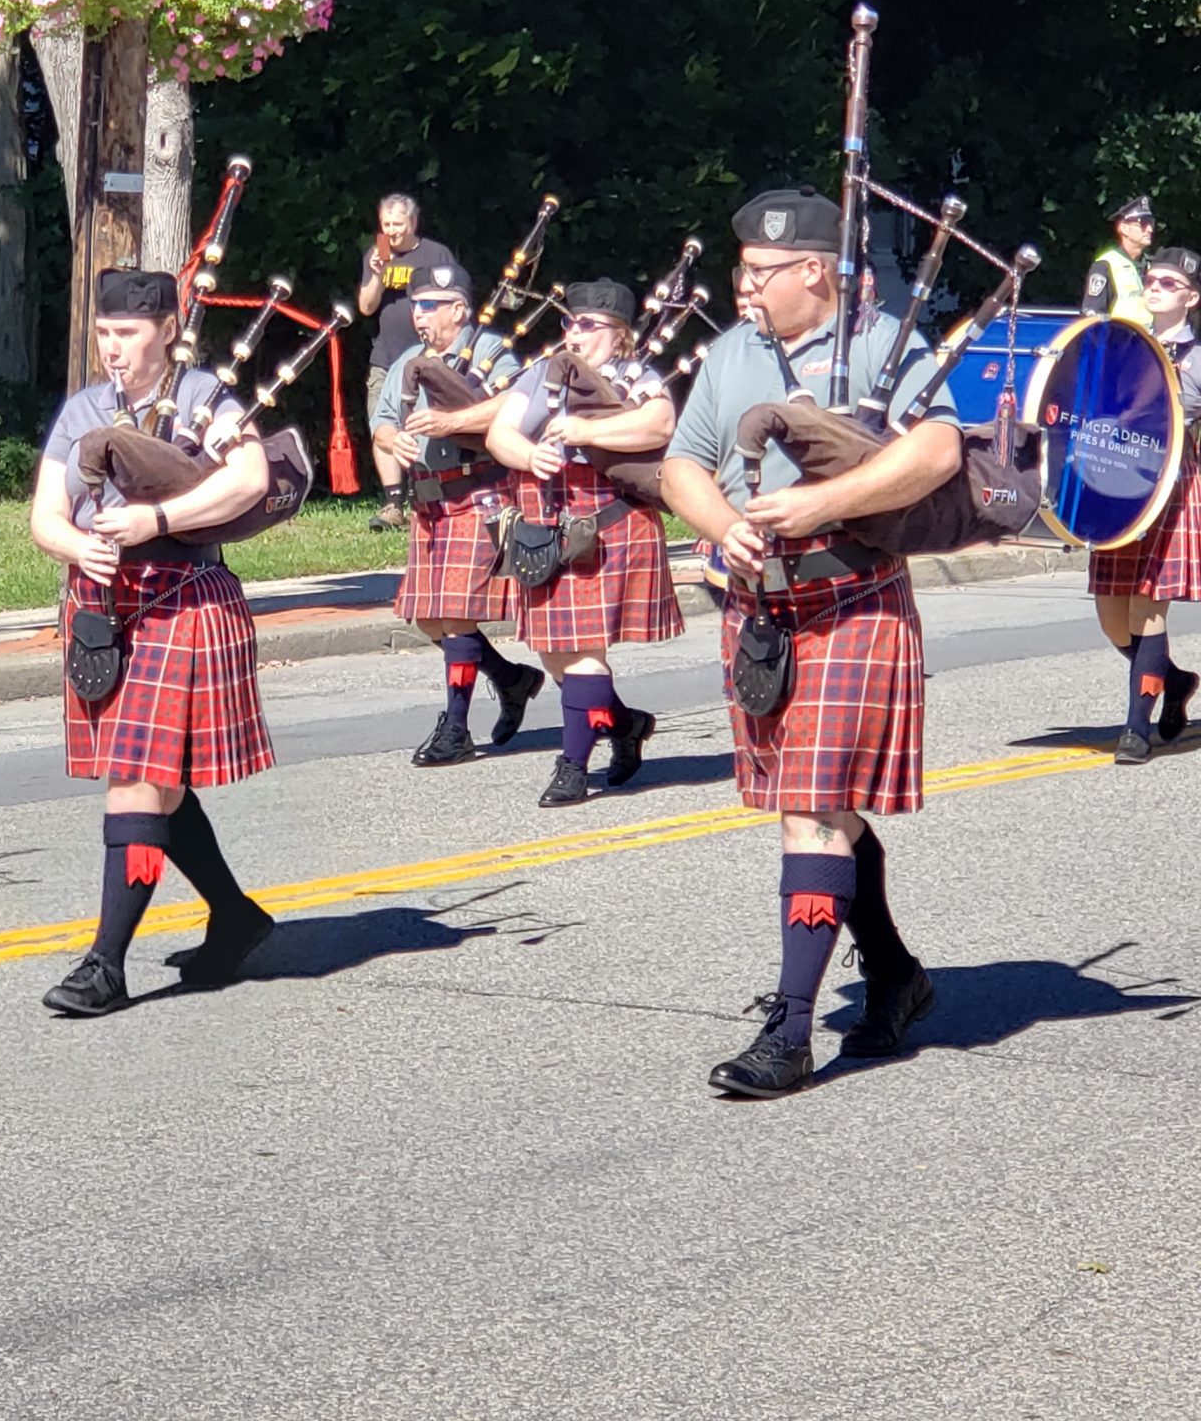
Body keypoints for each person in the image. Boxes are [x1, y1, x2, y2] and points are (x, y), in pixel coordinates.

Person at [658, 187, 952, 1099]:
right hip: (762, 611)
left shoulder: (881, 342)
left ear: (814, 271)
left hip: (853, 598)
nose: (743, 288)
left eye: (758, 274)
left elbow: (939, 450)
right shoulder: (732, 352)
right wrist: (722, 524)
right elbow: (681, 463)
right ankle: (896, 974)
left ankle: (789, 1034)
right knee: (824, 809)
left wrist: (825, 502)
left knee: (813, 811)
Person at [29, 267, 277, 1017]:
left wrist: (156, 522)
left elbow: (252, 478)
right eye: (103, 334)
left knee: (139, 779)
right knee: (155, 779)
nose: (112, 348)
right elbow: (44, 515)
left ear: (167, 330)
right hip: (105, 606)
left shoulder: (206, 399)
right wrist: (76, 544)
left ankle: (105, 965)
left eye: (128, 334)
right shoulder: (83, 411)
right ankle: (235, 916)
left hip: (184, 598)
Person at [484, 279, 682, 809]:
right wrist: (528, 457)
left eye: (588, 326)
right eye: (570, 323)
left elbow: (659, 422)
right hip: (543, 529)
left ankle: (572, 766)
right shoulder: (542, 373)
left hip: (606, 526)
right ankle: (626, 724)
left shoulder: (634, 377)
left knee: (585, 655)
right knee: (555, 657)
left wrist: (583, 431)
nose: (575, 333)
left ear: (618, 336)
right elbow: (499, 433)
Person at [371, 262, 544, 765]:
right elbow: (382, 422)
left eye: (428, 306)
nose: (418, 316)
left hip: (476, 493)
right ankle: (512, 679)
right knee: (428, 617)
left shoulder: (488, 352)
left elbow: (517, 402)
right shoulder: (408, 360)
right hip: (429, 502)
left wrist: (452, 420)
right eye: (415, 306)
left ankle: (456, 727)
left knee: (455, 615)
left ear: (458, 310)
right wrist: (393, 438)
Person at [1091, 248, 1201, 764]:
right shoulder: (1121, 344)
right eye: (1151, 279)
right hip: (1120, 487)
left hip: (1172, 486)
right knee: (1113, 619)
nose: (1155, 286)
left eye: (1168, 282)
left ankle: (1136, 730)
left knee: (1147, 608)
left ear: (1192, 297)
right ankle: (1175, 680)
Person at [357, 193, 455, 530]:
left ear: (412, 223)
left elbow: (453, 299)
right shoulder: (379, 253)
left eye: (398, 225)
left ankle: (426, 495)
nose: (392, 232)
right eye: (386, 225)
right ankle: (392, 503)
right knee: (381, 424)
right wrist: (376, 276)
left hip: (427, 356)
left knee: (426, 424)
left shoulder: (435, 254)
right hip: (386, 356)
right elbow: (366, 307)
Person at [1081, 195, 1155, 323]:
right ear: (1123, 228)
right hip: (1119, 340)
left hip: (1150, 340)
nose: (1150, 229)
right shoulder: (1105, 265)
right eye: (1142, 224)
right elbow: (1093, 315)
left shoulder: (1154, 265)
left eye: (1151, 222)